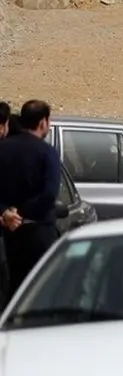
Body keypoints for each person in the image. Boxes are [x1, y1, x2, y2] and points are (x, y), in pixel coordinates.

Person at [0, 100, 63, 294]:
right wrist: (23, 213)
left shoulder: (3, 149)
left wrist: (7, 213)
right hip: (39, 233)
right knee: (41, 290)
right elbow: (49, 194)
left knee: (13, 289)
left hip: (9, 234)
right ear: (43, 122)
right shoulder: (47, 152)